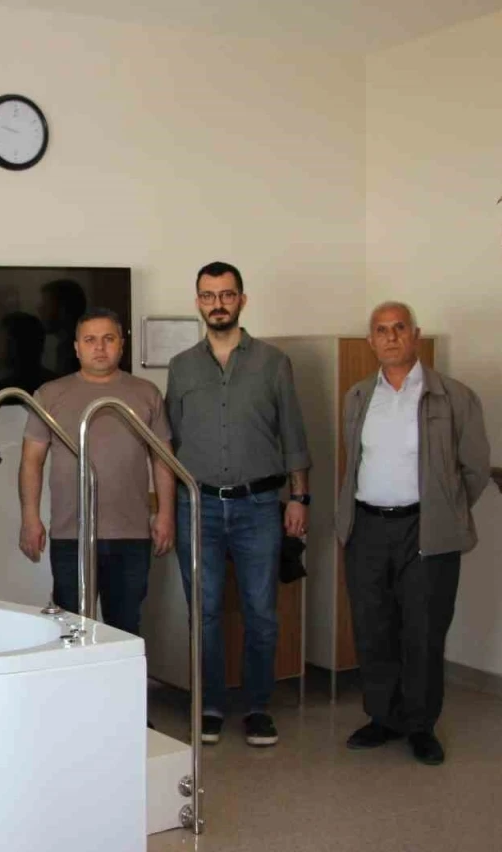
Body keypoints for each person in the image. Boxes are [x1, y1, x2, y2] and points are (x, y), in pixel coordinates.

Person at [335, 302, 490, 766]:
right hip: (367, 527)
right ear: (371, 341)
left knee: (423, 629)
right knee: (373, 626)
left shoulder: (453, 397)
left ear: (415, 335)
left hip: (425, 530)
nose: (391, 337)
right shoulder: (358, 396)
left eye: (399, 327)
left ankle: (420, 725)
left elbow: (475, 469)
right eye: (381, 330)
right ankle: (383, 717)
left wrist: (444, 510)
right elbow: (354, 460)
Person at [166, 261, 310, 748]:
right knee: (203, 613)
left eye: (227, 295)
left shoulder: (274, 362)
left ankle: (257, 707)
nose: (218, 304)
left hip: (259, 506)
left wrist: (299, 498)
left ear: (242, 300)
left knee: (261, 613)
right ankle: (209, 706)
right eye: (208, 296)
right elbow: (171, 442)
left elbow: (293, 435)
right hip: (197, 508)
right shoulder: (181, 367)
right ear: (198, 303)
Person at [19, 308, 175, 637]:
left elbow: (163, 459)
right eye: (90, 340)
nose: (99, 347)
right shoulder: (49, 394)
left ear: (121, 344)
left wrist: (166, 514)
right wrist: (30, 519)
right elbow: (32, 460)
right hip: (71, 535)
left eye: (108, 339)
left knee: (125, 629)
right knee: (71, 630)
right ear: (76, 347)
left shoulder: (146, 393)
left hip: (131, 535)